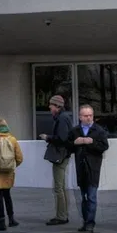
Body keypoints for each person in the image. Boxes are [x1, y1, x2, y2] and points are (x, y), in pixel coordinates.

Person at [71, 104, 110, 232]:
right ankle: (85, 221)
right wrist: (75, 143)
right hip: (81, 167)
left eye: (90, 115)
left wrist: (91, 142)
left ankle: (90, 222)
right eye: (86, 116)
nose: (88, 118)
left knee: (92, 196)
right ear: (80, 117)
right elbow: (67, 145)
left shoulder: (99, 130)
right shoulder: (75, 130)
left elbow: (104, 146)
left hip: (93, 167)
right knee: (84, 197)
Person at [39, 95, 74, 225]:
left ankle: (61, 216)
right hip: (63, 155)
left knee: (58, 187)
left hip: (60, 156)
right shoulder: (63, 117)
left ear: (57, 106)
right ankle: (63, 214)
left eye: (51, 105)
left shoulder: (62, 119)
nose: (49, 107)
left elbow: (62, 138)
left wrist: (47, 137)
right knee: (61, 187)